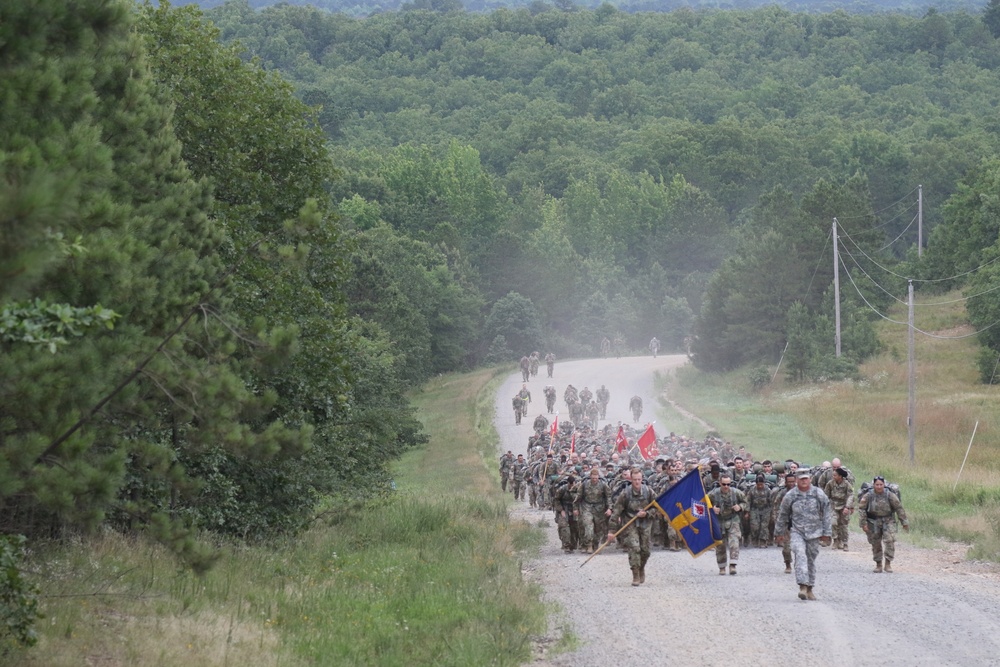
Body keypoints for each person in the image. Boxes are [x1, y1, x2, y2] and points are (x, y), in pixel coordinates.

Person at [774, 469, 833, 601]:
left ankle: (810, 587)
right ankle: (802, 586)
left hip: (815, 532)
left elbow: (827, 513)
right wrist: (779, 533)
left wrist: (827, 533)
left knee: (811, 560)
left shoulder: (818, 494)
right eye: (801, 479)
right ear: (796, 480)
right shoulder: (791, 495)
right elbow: (782, 515)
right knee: (800, 554)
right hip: (797, 531)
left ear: (810, 479)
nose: (804, 481)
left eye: (806, 478)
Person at [607, 466, 655, 586]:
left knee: (645, 550)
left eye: (639, 479)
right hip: (630, 522)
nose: (637, 482)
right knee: (634, 548)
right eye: (635, 480)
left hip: (645, 523)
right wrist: (611, 531)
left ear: (642, 479)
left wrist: (647, 513)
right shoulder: (625, 493)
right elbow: (616, 511)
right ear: (631, 480)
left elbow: (659, 508)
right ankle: (635, 574)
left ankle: (641, 568)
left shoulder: (649, 491)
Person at [858, 476, 909, 573]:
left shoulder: (890, 495)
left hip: (888, 520)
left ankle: (888, 563)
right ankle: (878, 564)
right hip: (873, 522)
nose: (879, 487)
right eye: (877, 485)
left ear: (884, 485)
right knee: (876, 543)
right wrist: (863, 523)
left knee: (890, 541)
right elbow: (862, 509)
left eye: (881, 484)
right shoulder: (868, 495)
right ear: (873, 485)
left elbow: (899, 508)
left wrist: (904, 522)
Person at [708, 476, 747, 575]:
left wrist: (740, 507)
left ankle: (733, 565)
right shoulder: (713, 494)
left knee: (734, 543)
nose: (726, 486)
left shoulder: (736, 493)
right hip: (719, 521)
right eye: (724, 484)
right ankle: (722, 567)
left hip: (733, 519)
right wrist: (712, 509)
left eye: (728, 484)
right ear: (720, 483)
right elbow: (703, 504)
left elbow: (746, 501)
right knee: (720, 545)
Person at [575, 467, 612, 554]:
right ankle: (589, 545)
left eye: (596, 478)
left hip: (599, 508)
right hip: (587, 507)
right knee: (588, 526)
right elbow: (578, 497)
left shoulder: (603, 485)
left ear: (598, 477)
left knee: (598, 529)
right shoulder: (584, 484)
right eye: (593, 478)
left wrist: (609, 508)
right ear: (590, 476)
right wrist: (575, 508)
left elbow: (608, 497)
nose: (594, 480)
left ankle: (596, 545)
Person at [823, 467, 855, 550]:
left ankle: (844, 543)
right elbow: (826, 495)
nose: (833, 476)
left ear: (840, 476)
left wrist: (848, 507)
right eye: (833, 475)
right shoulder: (830, 483)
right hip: (833, 506)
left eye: (835, 475)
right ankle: (835, 540)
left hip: (844, 506)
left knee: (843, 525)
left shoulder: (847, 484)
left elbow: (851, 496)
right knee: (833, 523)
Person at [747, 474, 772, 548]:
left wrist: (771, 512)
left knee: (764, 526)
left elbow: (771, 501)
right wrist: (747, 512)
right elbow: (748, 501)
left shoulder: (768, 490)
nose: (760, 486)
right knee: (755, 526)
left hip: (765, 509)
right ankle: (754, 539)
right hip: (755, 509)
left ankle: (763, 541)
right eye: (758, 485)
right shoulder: (752, 490)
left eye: (761, 484)